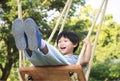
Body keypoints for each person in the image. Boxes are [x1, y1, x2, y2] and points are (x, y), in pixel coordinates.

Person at [12, 18, 92, 67]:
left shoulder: (76, 58)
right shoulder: (56, 54)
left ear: (75, 44)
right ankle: (27, 45)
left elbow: (85, 60)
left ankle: (40, 42)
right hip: (48, 67)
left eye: (65, 41)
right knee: (38, 58)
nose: (61, 43)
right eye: (59, 41)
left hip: (65, 67)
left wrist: (88, 45)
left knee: (55, 57)